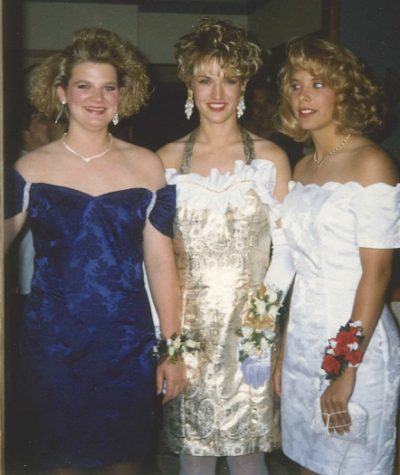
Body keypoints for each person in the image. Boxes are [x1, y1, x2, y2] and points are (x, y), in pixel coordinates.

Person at [5, 27, 185, 475]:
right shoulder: (29, 167)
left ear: (123, 96)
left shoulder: (146, 165)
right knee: (58, 461)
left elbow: (161, 262)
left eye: (109, 87)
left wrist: (174, 348)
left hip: (125, 344)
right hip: (53, 345)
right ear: (62, 93)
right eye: (84, 86)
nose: (97, 98)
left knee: (124, 462)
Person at [157, 18, 293, 475]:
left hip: (250, 332)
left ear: (244, 85)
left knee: (248, 451)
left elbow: (286, 252)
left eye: (230, 79)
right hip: (188, 336)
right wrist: (170, 343)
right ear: (188, 85)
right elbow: (153, 262)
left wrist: (262, 328)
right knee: (192, 455)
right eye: (205, 79)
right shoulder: (165, 160)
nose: (217, 92)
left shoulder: (271, 158)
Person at [273, 36, 400, 475]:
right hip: (305, 340)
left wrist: (347, 369)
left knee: (352, 464)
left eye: (318, 83)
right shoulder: (303, 165)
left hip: (355, 341)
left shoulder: (371, 162)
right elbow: (297, 268)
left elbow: (378, 273)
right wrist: (283, 350)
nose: (303, 96)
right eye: (295, 84)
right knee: (308, 464)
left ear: (344, 92)